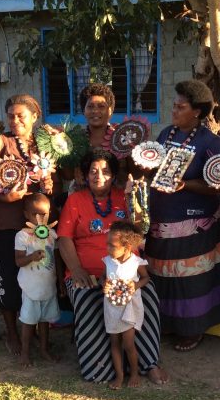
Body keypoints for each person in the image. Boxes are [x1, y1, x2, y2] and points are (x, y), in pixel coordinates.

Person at [144, 80, 220, 352]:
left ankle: (192, 329)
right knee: (162, 274)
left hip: (194, 222)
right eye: (174, 105)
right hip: (162, 218)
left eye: (180, 107)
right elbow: (157, 171)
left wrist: (186, 185)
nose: (174, 111)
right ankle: (166, 323)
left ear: (197, 111)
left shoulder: (210, 142)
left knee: (191, 280)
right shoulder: (165, 134)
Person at [58, 149, 168, 384]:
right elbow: (64, 238)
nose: (99, 176)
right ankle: (100, 365)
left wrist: (136, 199)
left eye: (106, 171)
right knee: (87, 298)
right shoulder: (75, 201)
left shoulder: (124, 197)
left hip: (127, 274)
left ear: (114, 175)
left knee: (147, 296)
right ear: (85, 176)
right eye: (93, 171)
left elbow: (141, 230)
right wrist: (76, 270)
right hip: (88, 274)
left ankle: (148, 363)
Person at [0, 94, 54, 355]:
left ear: (35, 116)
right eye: (11, 115)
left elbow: (51, 175)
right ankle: (12, 332)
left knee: (37, 276)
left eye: (21, 115)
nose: (15, 120)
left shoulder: (44, 144)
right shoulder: (0, 141)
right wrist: (5, 196)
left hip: (36, 227)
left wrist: (48, 185)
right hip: (6, 224)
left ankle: (33, 327)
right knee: (9, 279)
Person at [15, 193, 60, 367]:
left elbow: (57, 258)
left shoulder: (52, 234)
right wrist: (31, 257)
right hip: (30, 287)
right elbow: (18, 261)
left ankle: (43, 349)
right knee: (28, 321)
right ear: (26, 214)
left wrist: (61, 282)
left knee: (44, 321)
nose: (40, 218)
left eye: (44, 214)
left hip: (48, 284)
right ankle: (25, 352)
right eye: (35, 214)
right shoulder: (22, 236)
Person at [103, 221, 150, 389]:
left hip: (129, 308)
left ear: (127, 247)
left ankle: (135, 373)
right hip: (112, 308)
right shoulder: (108, 261)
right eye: (107, 244)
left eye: (112, 246)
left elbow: (145, 278)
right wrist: (105, 285)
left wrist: (134, 285)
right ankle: (119, 375)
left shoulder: (136, 262)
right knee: (114, 342)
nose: (108, 249)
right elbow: (105, 278)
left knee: (128, 344)